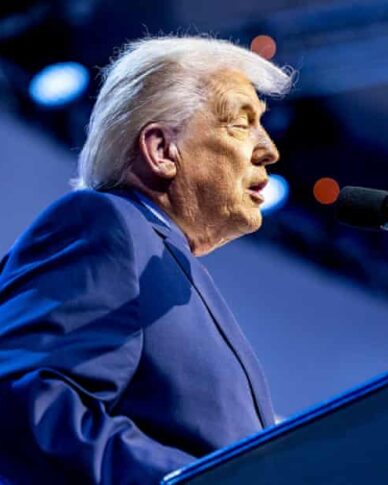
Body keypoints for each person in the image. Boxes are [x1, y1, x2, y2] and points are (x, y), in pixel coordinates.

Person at [0, 36, 293, 484]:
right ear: (161, 150)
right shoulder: (105, 223)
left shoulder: (169, 265)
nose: (269, 149)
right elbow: (24, 401)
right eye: (241, 122)